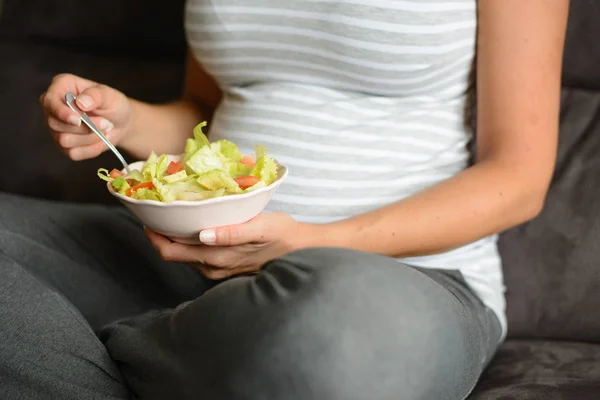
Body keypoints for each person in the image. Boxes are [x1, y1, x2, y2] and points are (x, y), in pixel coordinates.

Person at [0, 1, 569, 399]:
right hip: (185, 260)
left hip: (401, 279)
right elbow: (204, 116)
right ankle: (199, 360)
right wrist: (123, 120)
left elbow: (518, 177)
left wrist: (318, 243)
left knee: (336, 337)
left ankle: (100, 352)